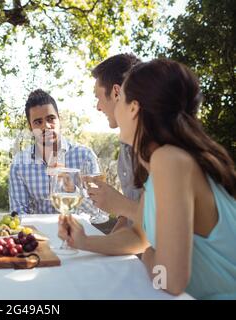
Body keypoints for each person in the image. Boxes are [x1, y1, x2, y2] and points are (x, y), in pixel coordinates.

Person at [59, 59, 236, 299]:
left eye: (120, 99)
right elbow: (137, 239)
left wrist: (152, 253)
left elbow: (169, 279)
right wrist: (83, 241)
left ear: (134, 108)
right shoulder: (158, 166)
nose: (112, 107)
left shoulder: (169, 160)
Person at [9, 89, 99, 214]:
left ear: (59, 119)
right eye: (38, 122)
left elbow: (98, 211)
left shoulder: (85, 156)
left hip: (78, 231)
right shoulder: (19, 163)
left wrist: (72, 188)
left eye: (51, 118)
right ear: (30, 127)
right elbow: (18, 212)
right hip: (38, 232)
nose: (46, 126)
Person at [90, 53, 142, 232]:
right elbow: (129, 220)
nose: (97, 106)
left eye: (98, 97)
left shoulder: (158, 150)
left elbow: (164, 222)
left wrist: (118, 203)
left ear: (116, 92)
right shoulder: (126, 146)